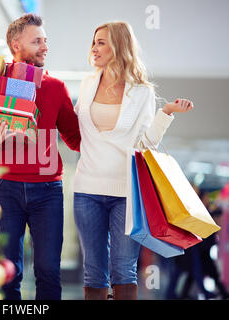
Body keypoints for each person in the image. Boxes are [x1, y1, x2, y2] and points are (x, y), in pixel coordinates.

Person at [72, 21, 194, 300]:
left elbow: (146, 143)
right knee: (93, 270)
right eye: (94, 42)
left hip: (126, 192)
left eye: (101, 42)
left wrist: (166, 112)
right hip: (86, 189)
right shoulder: (88, 83)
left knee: (124, 270)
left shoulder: (141, 91)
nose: (94, 48)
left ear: (119, 46)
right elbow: (75, 127)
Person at [0, 13, 81, 300]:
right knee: (8, 271)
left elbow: (75, 137)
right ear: (15, 44)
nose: (44, 47)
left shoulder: (55, 87)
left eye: (46, 41)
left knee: (47, 270)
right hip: (5, 188)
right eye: (37, 41)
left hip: (47, 190)